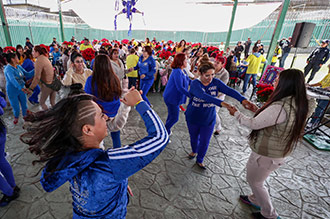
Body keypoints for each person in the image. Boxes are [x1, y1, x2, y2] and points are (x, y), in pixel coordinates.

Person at [21, 89, 169, 219]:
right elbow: (160, 137)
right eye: (100, 115)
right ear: (87, 130)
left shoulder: (71, 156)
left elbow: (95, 184)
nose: (106, 117)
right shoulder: (109, 163)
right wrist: (140, 102)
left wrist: (120, 181)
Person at [227, 69, 315, 219]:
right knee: (258, 179)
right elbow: (274, 120)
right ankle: (255, 199)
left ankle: (269, 214)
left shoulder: (281, 106)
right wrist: (258, 110)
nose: (274, 82)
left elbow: (254, 124)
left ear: (286, 84)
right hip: (279, 151)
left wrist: (236, 113)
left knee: (255, 181)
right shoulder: (300, 103)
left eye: (277, 80)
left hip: (267, 153)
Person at [185, 61, 257, 169]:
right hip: (193, 117)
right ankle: (194, 151)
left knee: (205, 141)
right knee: (194, 138)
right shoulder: (195, 83)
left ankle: (200, 159)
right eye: (207, 75)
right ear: (200, 73)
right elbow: (203, 95)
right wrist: (222, 103)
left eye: (213, 74)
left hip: (208, 118)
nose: (210, 78)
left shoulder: (215, 82)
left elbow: (229, 91)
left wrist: (243, 100)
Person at [85, 54, 123, 149]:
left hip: (100, 114)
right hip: (115, 112)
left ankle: (100, 159)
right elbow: (119, 94)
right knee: (116, 133)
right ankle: (117, 154)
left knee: (98, 138)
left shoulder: (91, 80)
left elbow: (88, 98)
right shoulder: (115, 78)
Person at [163, 53, 191, 136]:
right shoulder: (177, 72)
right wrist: (191, 95)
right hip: (171, 98)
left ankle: (165, 130)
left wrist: (199, 85)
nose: (187, 61)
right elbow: (180, 87)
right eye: (186, 59)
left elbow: (189, 81)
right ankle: (165, 132)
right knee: (175, 118)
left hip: (175, 97)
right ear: (181, 61)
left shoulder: (183, 71)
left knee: (171, 116)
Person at [0, 95, 20, 206]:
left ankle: (9, 193)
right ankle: (12, 186)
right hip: (1, 131)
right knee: (1, 160)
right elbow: (2, 104)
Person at [3, 53, 34, 124]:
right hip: (12, 90)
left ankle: (25, 117)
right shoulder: (8, 69)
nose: (19, 58)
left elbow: (27, 74)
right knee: (16, 108)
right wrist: (20, 88)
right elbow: (12, 80)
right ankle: (16, 116)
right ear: (12, 59)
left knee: (24, 104)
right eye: (17, 57)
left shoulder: (18, 67)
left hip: (21, 88)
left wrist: (37, 69)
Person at [30, 45, 57, 110]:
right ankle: (58, 116)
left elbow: (37, 77)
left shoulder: (38, 61)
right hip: (54, 83)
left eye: (33, 51)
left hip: (48, 85)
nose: (32, 53)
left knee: (42, 103)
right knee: (52, 102)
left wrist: (31, 88)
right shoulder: (45, 57)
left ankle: (49, 117)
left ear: (37, 52)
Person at [213, 56, 229, 135]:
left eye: (217, 63)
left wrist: (214, 94)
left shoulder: (225, 74)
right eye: (215, 61)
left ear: (222, 64)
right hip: (209, 93)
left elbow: (223, 87)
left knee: (214, 112)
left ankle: (218, 127)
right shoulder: (211, 69)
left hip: (219, 95)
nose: (215, 64)